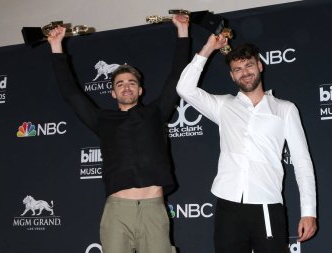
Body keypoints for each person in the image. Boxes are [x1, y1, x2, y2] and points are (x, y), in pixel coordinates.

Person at [47, 15, 190, 253]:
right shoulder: (103, 120)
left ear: (140, 89)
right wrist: (55, 46)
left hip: (153, 209)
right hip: (117, 212)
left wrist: (183, 32)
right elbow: (71, 94)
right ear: (113, 92)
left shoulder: (156, 113)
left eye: (132, 82)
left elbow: (176, 77)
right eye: (120, 83)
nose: (126, 86)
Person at [176, 34, 317, 253]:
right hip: (228, 206)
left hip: (267, 205)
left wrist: (309, 211)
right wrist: (208, 48)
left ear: (260, 66)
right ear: (232, 76)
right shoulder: (223, 106)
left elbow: (302, 162)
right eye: (238, 69)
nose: (245, 73)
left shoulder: (284, 109)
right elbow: (184, 88)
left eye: (249, 65)